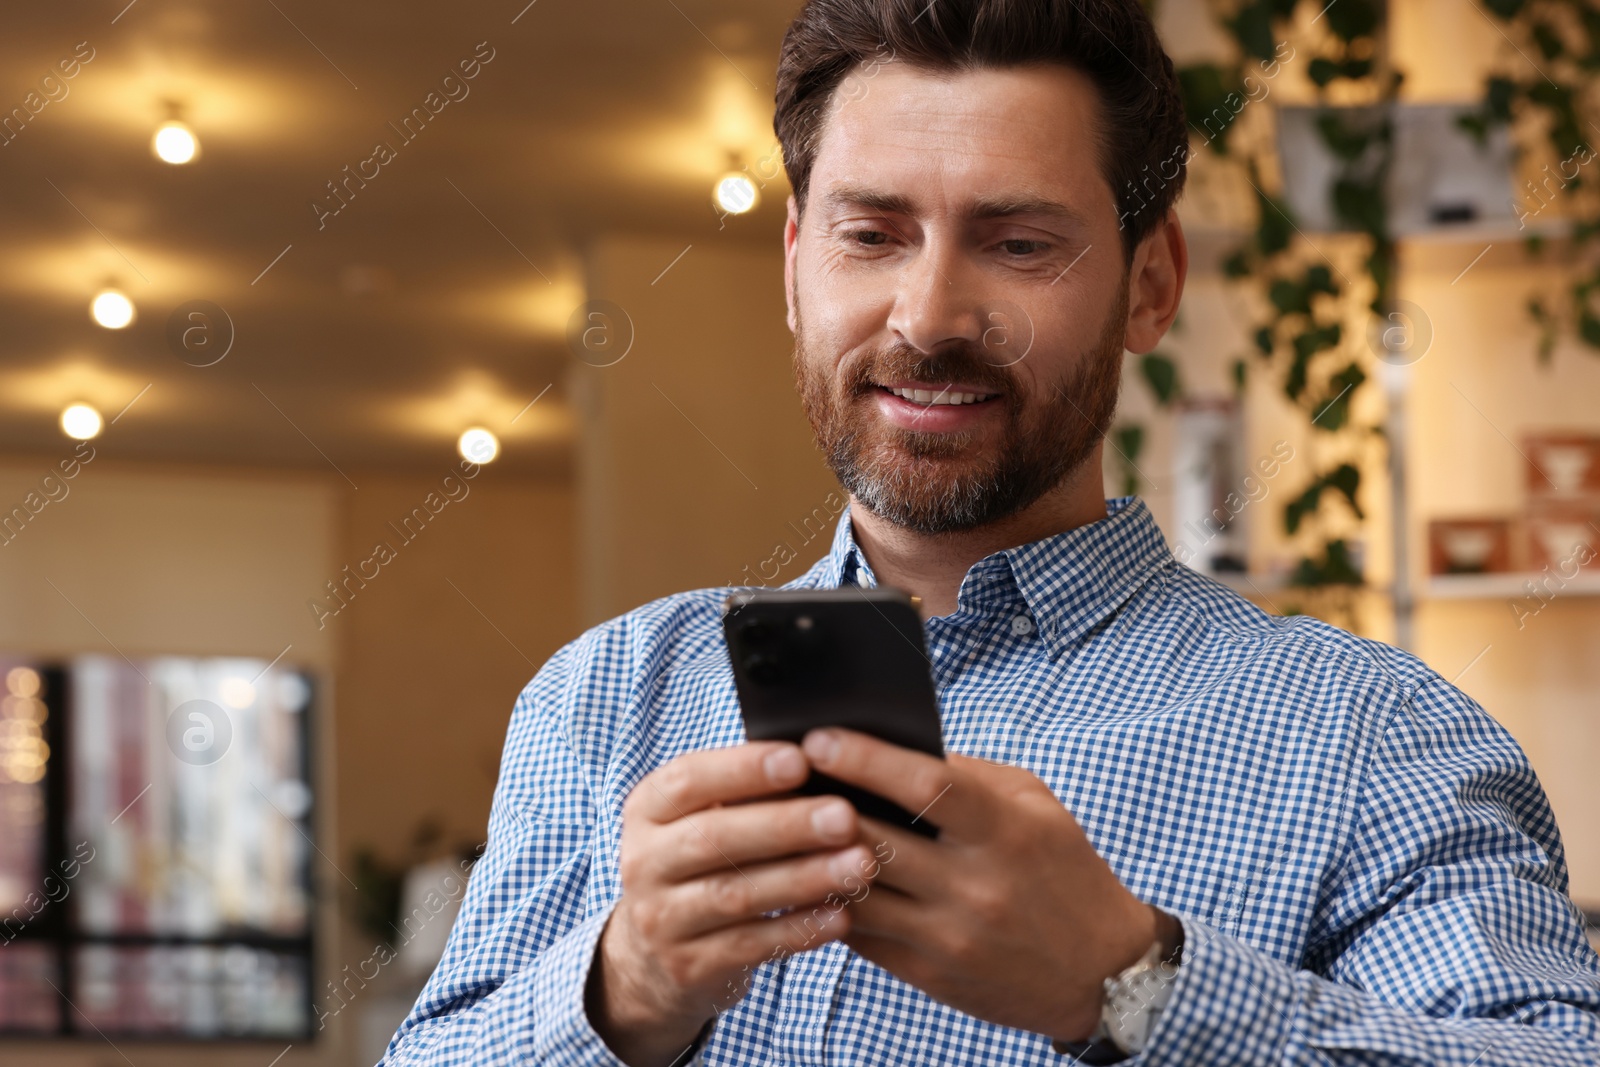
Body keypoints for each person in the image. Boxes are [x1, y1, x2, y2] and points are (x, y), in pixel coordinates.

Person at [382, 0, 1600, 1063]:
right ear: (796, 266)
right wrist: (624, 989)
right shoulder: (602, 699)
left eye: (1018, 243)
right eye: (872, 234)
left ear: (1151, 283)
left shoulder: (1375, 737)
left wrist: (1135, 986)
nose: (928, 315)